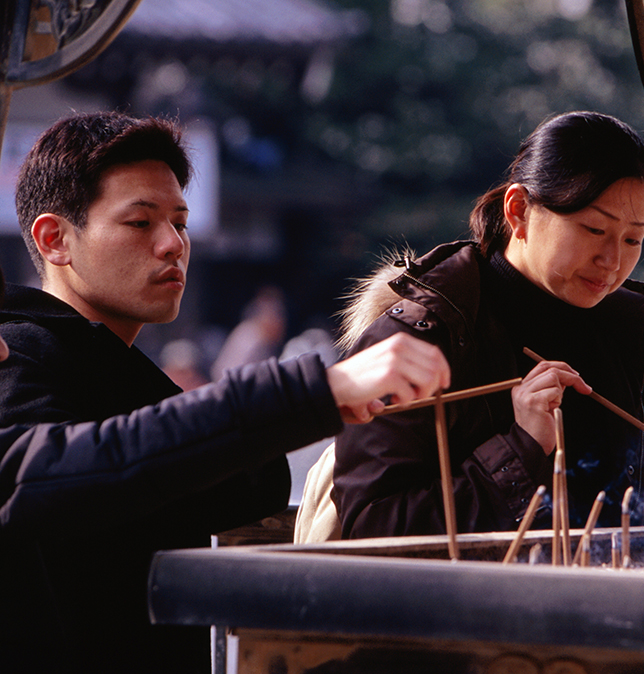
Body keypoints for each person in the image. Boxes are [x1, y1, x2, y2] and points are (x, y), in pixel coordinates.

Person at [0, 112, 450, 674]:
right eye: (140, 222)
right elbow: (48, 475)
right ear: (55, 239)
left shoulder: (113, 367)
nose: (173, 245)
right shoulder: (17, 353)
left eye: (180, 223)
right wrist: (311, 393)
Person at [326, 111, 644, 540]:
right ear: (519, 211)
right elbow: (372, 525)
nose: (613, 261)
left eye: (633, 239)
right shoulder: (420, 334)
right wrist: (521, 447)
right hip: (461, 606)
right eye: (593, 228)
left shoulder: (623, 328)